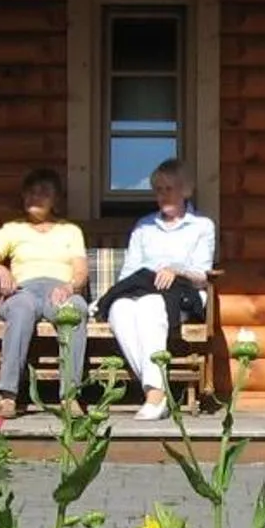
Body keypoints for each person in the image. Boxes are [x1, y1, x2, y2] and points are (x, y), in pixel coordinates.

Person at [100, 160, 217, 421]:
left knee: (150, 305)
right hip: (143, 289)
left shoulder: (202, 226)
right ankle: (159, 389)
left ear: (186, 190)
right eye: (158, 189)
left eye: (169, 188)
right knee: (120, 308)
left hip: (184, 295)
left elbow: (202, 275)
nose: (163, 195)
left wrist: (176, 270)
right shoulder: (144, 226)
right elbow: (128, 273)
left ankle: (153, 394)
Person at [0, 168, 88, 418]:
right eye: (31, 193)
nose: (35, 198)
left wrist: (69, 287)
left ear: (56, 199)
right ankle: (8, 396)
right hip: (23, 290)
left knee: (75, 310)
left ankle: (70, 396)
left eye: (43, 193)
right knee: (22, 310)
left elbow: (80, 271)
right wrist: (0, 269)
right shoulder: (12, 229)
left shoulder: (70, 230)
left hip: (58, 289)